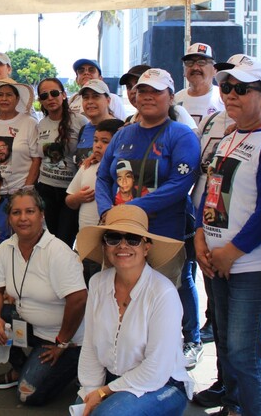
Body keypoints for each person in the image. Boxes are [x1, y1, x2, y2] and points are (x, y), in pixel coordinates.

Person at [95, 68, 203, 369]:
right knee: (122, 297)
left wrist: (133, 210)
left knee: (169, 295)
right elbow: (103, 177)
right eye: (142, 91)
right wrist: (107, 210)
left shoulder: (181, 135)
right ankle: (123, 357)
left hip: (163, 235)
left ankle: (182, 346)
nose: (147, 97)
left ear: (170, 97)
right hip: (120, 233)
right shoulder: (123, 134)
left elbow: (180, 185)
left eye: (156, 91)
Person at [194, 55, 261, 416]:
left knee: (246, 351)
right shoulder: (229, 136)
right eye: (226, 86)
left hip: (251, 265)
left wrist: (233, 250)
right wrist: (200, 235)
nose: (230, 94)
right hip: (215, 260)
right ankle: (233, 406)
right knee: (227, 346)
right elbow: (210, 189)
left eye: (242, 89)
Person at [0, 188, 87, 406]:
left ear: (41, 215)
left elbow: (79, 299)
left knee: (28, 395)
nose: (23, 218)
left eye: (30, 211)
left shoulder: (58, 252)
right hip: (31, 327)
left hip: (64, 339)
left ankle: (72, 364)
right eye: (16, 212)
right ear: (9, 218)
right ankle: (20, 367)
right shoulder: (5, 248)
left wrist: (62, 343)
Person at [74, 205, 191, 415]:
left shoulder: (163, 293)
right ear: (104, 245)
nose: (122, 245)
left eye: (133, 239)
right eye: (113, 238)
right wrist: (90, 391)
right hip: (112, 381)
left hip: (162, 384)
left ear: (146, 247)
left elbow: (156, 370)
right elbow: (90, 345)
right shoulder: (97, 283)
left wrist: (103, 393)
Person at [66, 118, 123, 284]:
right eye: (96, 140)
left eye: (105, 142)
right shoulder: (87, 167)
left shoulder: (121, 171)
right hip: (84, 245)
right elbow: (69, 200)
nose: (97, 145)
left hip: (108, 247)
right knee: (85, 286)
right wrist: (78, 198)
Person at [35, 78, 85, 246]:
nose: (50, 98)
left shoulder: (80, 121)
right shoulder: (40, 124)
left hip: (70, 191)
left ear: (64, 95)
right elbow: (37, 158)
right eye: (44, 95)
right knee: (48, 240)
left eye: (54, 93)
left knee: (64, 241)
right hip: (46, 189)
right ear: (40, 101)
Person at [0, 80, 39, 193]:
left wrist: (26, 188)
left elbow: (36, 159)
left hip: (20, 191)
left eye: (9, 95)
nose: (4, 99)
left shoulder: (29, 123)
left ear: (17, 99)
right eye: (0, 95)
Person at [120, 64, 196, 130]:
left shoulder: (177, 112)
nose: (133, 91)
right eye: (129, 87)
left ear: (171, 97)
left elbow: (195, 140)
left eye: (155, 91)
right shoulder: (129, 122)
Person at [174, 43, 224, 125]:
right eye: (189, 62)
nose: (195, 68)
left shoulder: (224, 99)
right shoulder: (176, 100)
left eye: (201, 62)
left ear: (215, 70)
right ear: (184, 70)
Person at [73, 79, 117, 164]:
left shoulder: (119, 129)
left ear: (108, 101)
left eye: (95, 96)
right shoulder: (83, 129)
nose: (90, 101)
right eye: (86, 97)